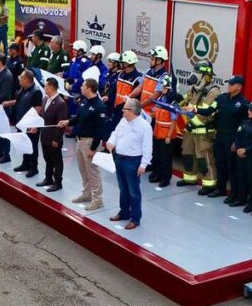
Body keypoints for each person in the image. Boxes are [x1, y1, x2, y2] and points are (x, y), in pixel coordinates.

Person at [59, 80, 108, 211]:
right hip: (80, 140)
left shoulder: (99, 106)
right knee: (83, 170)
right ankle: (87, 194)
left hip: (89, 142)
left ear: (90, 89)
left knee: (92, 171)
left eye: (83, 86)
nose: (81, 87)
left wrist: (93, 148)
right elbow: (78, 118)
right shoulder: (85, 101)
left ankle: (98, 199)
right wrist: (67, 122)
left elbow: (100, 129)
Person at [106, 98, 153, 230]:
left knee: (133, 191)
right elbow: (115, 134)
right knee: (123, 189)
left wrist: (143, 165)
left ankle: (135, 218)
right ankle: (124, 212)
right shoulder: (123, 121)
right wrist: (111, 142)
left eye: (124, 109)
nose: (122, 111)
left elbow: (147, 147)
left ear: (132, 111)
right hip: (119, 158)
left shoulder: (144, 127)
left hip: (133, 161)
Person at [178, 63, 222, 194]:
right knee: (188, 154)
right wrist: (177, 100)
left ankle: (209, 184)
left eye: (197, 73)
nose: (194, 75)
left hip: (203, 132)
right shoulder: (193, 89)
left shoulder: (213, 91)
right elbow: (185, 102)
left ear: (206, 75)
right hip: (190, 130)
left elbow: (207, 112)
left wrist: (192, 123)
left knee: (204, 158)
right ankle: (190, 178)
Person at [208, 75, 247, 200]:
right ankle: (220, 188)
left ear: (239, 87)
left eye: (231, 84)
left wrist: (236, 141)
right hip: (220, 134)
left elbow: (243, 125)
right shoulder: (222, 98)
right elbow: (211, 110)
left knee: (231, 166)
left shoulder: (242, 103)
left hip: (231, 136)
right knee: (219, 163)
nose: (228, 86)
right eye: (228, 83)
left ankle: (234, 193)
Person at [6, 70, 43, 178]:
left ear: (27, 79)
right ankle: (25, 163)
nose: (19, 79)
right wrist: (9, 103)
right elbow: (19, 101)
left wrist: (32, 123)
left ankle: (33, 167)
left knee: (32, 146)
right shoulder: (23, 89)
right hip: (21, 123)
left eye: (21, 78)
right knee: (24, 144)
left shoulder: (36, 91)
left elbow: (38, 108)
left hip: (30, 124)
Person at [37, 77, 69, 192]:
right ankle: (48, 178)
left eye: (46, 86)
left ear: (51, 87)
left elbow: (61, 124)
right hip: (45, 135)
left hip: (53, 137)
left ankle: (58, 182)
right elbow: (42, 117)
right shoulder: (45, 99)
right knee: (47, 158)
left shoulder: (60, 103)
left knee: (56, 160)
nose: (44, 87)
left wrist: (56, 139)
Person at [149, 78, 180, 188]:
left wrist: (168, 136)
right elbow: (154, 112)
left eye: (164, 87)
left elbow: (174, 121)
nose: (162, 89)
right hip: (157, 132)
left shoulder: (173, 103)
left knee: (165, 158)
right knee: (157, 156)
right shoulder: (161, 99)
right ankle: (158, 174)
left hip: (167, 136)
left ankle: (166, 179)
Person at [112, 51, 142, 129]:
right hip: (116, 109)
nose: (121, 64)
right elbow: (115, 91)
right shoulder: (120, 74)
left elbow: (136, 99)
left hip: (127, 112)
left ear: (128, 64)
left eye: (123, 62)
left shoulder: (137, 78)